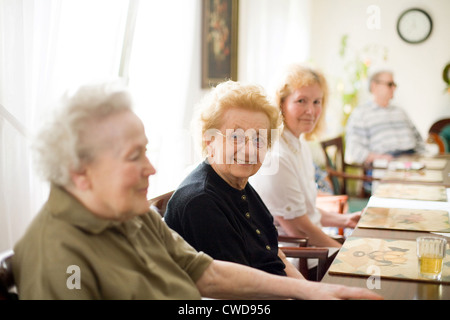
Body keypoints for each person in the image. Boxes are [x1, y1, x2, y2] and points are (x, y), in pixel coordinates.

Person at [12, 81, 382, 300]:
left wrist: (313, 291)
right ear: (81, 172)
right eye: (133, 156)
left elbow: (205, 272)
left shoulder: (132, 214)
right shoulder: (58, 255)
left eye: (147, 151)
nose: (152, 169)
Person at [164, 80, 304, 279]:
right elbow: (240, 288)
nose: (249, 150)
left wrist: (310, 290)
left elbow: (274, 254)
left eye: (259, 139)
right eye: (236, 137)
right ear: (210, 141)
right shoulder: (200, 202)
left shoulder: (240, 184)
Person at [250, 64, 360, 261]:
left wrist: (345, 219)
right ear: (281, 104)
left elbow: (305, 212)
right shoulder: (277, 156)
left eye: (317, 102)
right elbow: (299, 229)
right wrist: (348, 257)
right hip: (297, 259)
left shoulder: (298, 144)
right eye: (301, 101)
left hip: (313, 246)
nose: (311, 110)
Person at [345, 70, 426, 166]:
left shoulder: (400, 112)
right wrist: (379, 158)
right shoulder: (361, 114)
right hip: (385, 165)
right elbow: (354, 150)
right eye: (390, 84)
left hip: (413, 160)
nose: (394, 88)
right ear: (374, 86)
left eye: (394, 84)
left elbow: (419, 139)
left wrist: (423, 157)